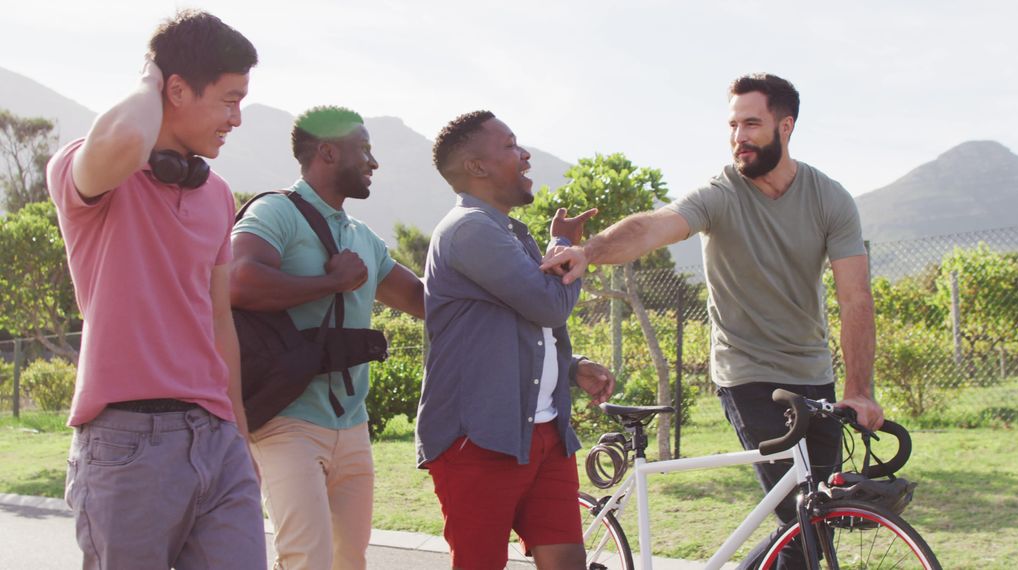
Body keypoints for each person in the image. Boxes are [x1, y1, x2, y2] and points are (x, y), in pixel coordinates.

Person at [541, 73, 883, 568]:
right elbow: (654, 227)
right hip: (748, 374)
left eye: (752, 123)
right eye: (733, 124)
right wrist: (588, 251)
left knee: (819, 520)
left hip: (813, 374)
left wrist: (859, 390)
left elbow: (856, 298)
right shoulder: (720, 194)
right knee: (801, 520)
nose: (738, 136)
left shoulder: (829, 199)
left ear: (786, 127)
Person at [45, 10, 263, 569]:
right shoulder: (88, 170)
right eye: (229, 100)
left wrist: (237, 434)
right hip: (126, 444)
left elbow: (218, 320)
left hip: (216, 441)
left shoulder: (216, 194)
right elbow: (125, 137)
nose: (237, 118)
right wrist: (150, 73)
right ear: (176, 90)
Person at [416, 110, 616, 570]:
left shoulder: (506, 232)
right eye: (510, 145)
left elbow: (521, 327)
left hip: (543, 433)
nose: (525, 155)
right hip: (479, 439)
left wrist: (571, 366)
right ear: (477, 167)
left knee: (567, 560)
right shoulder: (469, 229)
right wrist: (568, 256)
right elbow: (547, 305)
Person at [230, 105, 425, 570]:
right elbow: (237, 280)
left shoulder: (363, 237)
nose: (374, 164)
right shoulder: (275, 211)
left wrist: (513, 285)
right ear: (329, 152)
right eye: (365, 151)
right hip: (286, 421)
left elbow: (423, 299)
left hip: (353, 427)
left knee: (348, 560)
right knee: (306, 559)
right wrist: (329, 283)